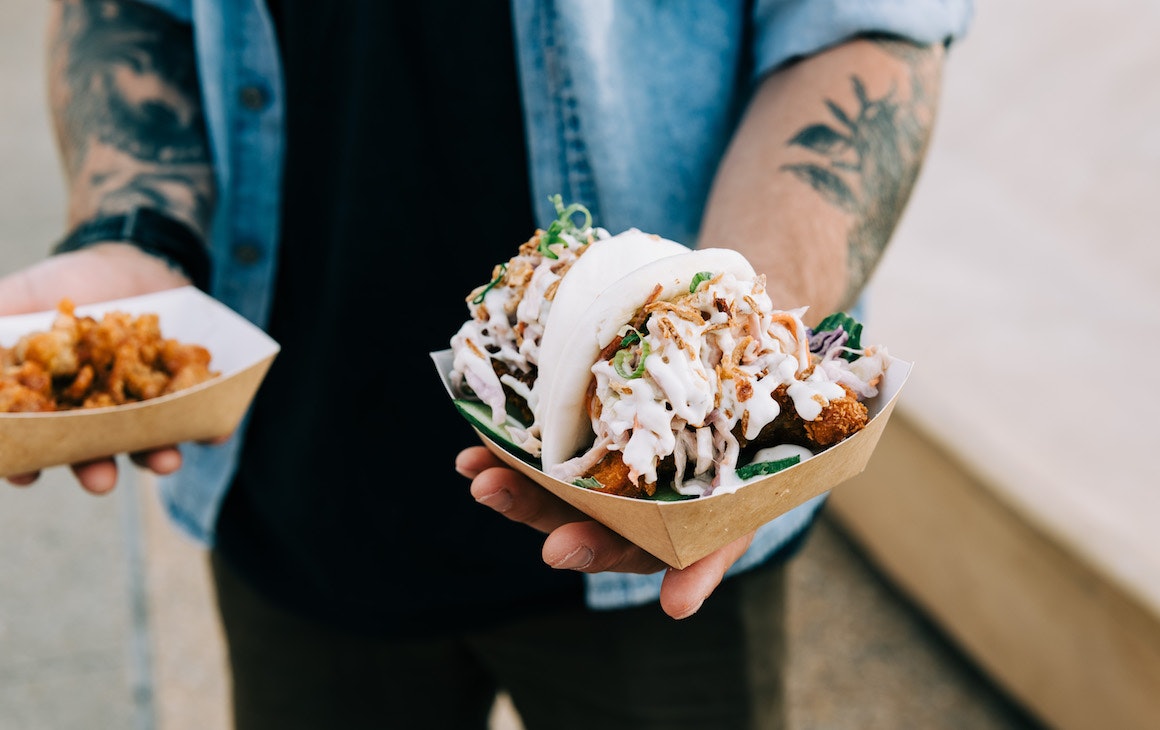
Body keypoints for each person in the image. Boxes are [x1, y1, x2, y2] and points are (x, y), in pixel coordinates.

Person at [2, 1, 972, 728]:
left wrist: (720, 374)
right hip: (294, 493)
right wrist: (136, 233)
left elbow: (864, 25)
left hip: (665, 533)